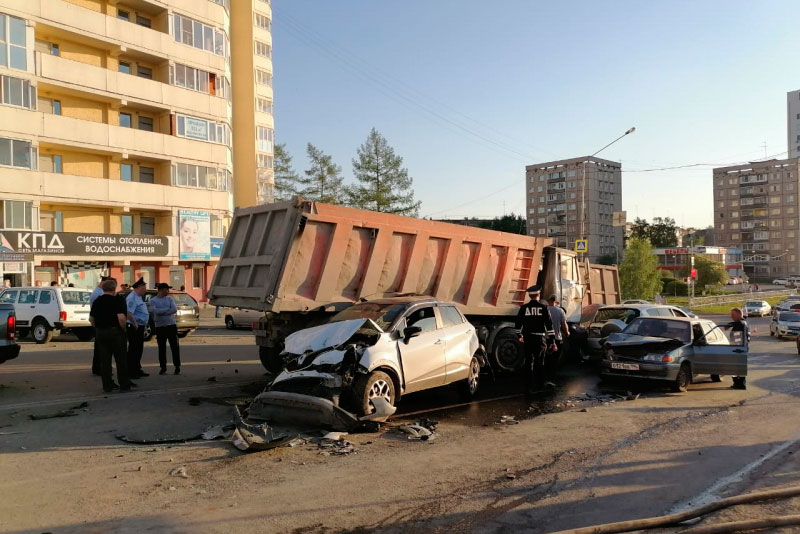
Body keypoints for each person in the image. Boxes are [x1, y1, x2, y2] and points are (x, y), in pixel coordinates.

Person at [90, 279, 135, 392]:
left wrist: (97, 327)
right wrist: (123, 329)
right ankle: (124, 384)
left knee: (105, 361)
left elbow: (91, 319)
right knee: (121, 360)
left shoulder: (97, 301)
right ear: (114, 288)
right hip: (115, 332)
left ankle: (107, 385)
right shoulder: (118, 299)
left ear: (103, 288)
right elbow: (121, 317)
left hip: (101, 332)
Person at [515, 285, 558, 393]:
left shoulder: (524, 308)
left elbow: (517, 325)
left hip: (528, 338)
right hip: (540, 339)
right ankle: (540, 384)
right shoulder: (544, 308)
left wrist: (520, 336)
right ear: (538, 295)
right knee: (540, 361)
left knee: (529, 361)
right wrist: (552, 341)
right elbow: (549, 326)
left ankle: (528, 386)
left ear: (530, 296)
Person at [151, 283, 181, 375]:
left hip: (171, 325)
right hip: (160, 326)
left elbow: (174, 309)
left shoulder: (170, 299)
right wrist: (167, 310)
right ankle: (163, 367)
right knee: (162, 347)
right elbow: (155, 311)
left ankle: (177, 366)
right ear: (161, 290)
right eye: (166, 290)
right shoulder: (153, 300)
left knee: (174, 346)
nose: (167, 291)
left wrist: (162, 310)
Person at [126, 278, 150, 378]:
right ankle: (131, 371)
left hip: (140, 326)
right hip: (134, 326)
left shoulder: (138, 297)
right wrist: (135, 323)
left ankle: (137, 369)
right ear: (138, 287)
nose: (145, 289)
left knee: (138, 349)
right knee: (134, 349)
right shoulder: (132, 297)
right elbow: (129, 312)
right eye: (144, 287)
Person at [89, 276, 113, 376]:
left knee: (99, 348)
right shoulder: (99, 293)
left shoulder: (97, 291)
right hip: (101, 324)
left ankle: (97, 368)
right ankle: (99, 369)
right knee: (102, 349)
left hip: (98, 323)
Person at [724, 307, 749, 390]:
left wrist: (729, 324)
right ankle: (738, 383)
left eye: (733, 315)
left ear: (739, 314)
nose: (731, 316)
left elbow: (738, 324)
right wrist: (730, 324)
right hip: (739, 348)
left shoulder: (741, 324)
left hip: (738, 349)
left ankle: (740, 384)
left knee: (736, 367)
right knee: (737, 367)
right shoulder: (743, 323)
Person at [547, 295, 570, 376]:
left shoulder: (544, 310)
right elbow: (564, 324)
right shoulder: (560, 311)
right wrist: (567, 333)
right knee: (555, 358)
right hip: (557, 338)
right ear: (556, 302)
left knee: (546, 358)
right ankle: (552, 375)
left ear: (548, 301)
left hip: (546, 338)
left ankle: (544, 375)